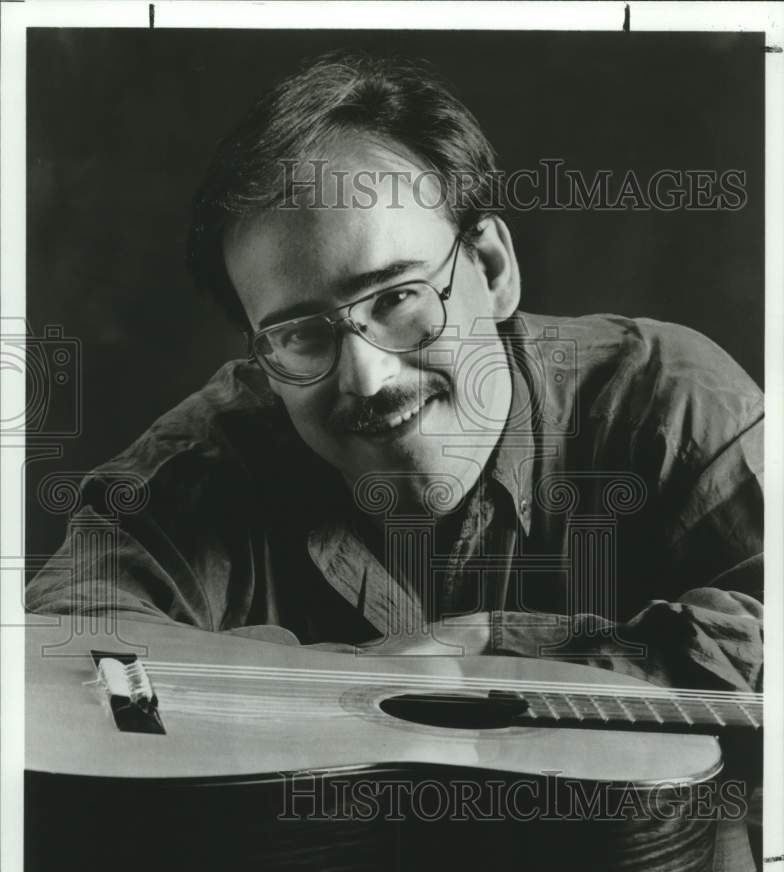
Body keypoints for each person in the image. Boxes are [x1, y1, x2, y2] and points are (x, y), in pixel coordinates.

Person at [26, 51, 763, 697]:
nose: (369, 377)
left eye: (398, 299)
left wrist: (496, 651)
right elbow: (49, 660)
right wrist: (299, 685)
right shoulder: (207, 461)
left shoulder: (671, 402)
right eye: (301, 334)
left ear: (492, 268)